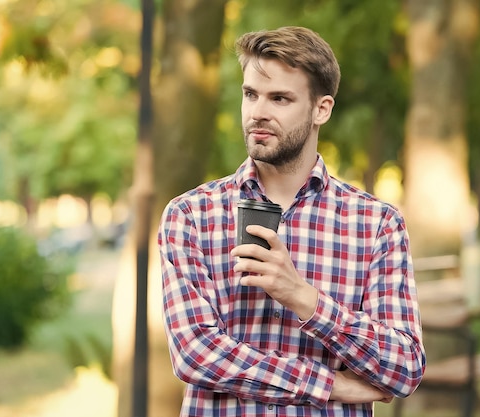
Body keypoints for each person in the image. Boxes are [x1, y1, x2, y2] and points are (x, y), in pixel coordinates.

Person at [158, 26, 425, 417]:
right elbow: (195, 353)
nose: (258, 112)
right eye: (250, 95)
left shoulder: (376, 224)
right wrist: (328, 384)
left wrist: (304, 298)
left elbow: (404, 369)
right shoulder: (191, 215)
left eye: (280, 98)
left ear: (322, 109)